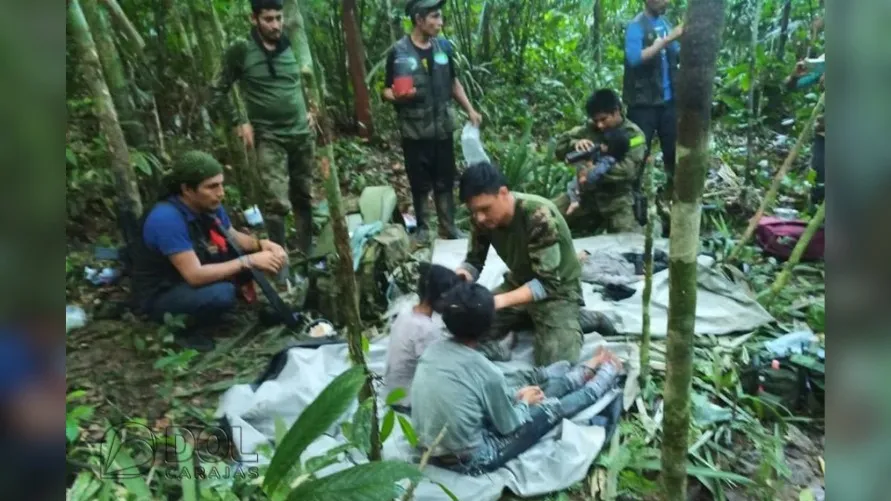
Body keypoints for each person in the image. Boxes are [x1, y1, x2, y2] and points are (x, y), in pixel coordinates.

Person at [411, 282, 623, 475]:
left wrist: (519, 399)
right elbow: (508, 426)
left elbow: (470, 398)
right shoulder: (486, 372)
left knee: (530, 392)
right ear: (487, 325)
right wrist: (522, 403)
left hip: (432, 449)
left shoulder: (431, 352)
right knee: (549, 409)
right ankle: (605, 374)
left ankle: (585, 370)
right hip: (471, 458)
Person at [455, 162, 615, 366]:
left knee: (556, 364)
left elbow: (546, 284)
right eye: (474, 211)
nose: (480, 217)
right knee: (465, 325)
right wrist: (461, 276)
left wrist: (497, 302)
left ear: (503, 193)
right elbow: (474, 260)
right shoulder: (481, 218)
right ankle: (529, 318)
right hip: (519, 282)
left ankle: (580, 319)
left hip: (557, 289)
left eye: (485, 209)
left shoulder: (537, 215)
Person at [130, 151, 288, 351]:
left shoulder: (208, 205)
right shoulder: (166, 219)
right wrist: (250, 261)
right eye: (212, 187)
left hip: (192, 271)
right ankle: (184, 329)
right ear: (187, 189)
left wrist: (262, 245)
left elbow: (232, 236)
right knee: (222, 294)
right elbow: (194, 275)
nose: (221, 192)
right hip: (163, 291)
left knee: (241, 259)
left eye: (221, 184)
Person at [210, 0, 315, 279]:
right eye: (268, 19)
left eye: (279, 18)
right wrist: (238, 122)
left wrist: (313, 107)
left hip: (302, 135)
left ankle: (308, 254)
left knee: (304, 196)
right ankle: (280, 264)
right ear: (254, 19)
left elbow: (312, 78)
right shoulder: (241, 50)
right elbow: (216, 90)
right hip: (269, 136)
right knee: (276, 203)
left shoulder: (294, 43)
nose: (275, 25)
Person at [383, 0, 483, 241]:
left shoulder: (444, 48)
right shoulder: (398, 51)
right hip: (415, 130)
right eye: (435, 17)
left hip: (443, 128)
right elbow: (385, 90)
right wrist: (396, 96)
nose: (440, 23)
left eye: (440, 17)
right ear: (419, 20)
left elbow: (452, 82)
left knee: (445, 180)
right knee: (419, 183)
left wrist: (470, 109)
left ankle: (448, 227)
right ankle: (424, 229)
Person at [554, 89, 647, 235]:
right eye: (596, 120)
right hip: (585, 196)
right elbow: (559, 148)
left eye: (603, 119)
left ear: (616, 111)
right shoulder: (590, 128)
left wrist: (591, 170)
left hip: (617, 200)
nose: (600, 125)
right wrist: (576, 144)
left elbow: (627, 171)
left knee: (630, 244)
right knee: (545, 217)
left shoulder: (633, 135)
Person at [623, 0, 682, 198]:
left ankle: (672, 194)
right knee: (639, 151)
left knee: (672, 150)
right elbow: (634, 58)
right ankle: (634, 196)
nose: (667, 1)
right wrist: (664, 42)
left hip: (668, 102)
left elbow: (676, 53)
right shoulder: (636, 26)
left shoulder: (664, 23)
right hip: (643, 105)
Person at [383, 263, 459, 412]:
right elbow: (438, 370)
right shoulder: (427, 329)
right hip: (405, 401)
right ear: (441, 297)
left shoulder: (406, 312)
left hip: (391, 391)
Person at [785, 57, 825, 206]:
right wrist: (795, 75)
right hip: (825, 132)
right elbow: (791, 86)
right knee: (820, 180)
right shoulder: (824, 67)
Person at [566, 128, 632, 216]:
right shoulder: (604, 154)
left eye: (605, 144)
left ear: (612, 148)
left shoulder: (608, 160)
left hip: (591, 184)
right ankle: (576, 197)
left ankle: (574, 202)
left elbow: (597, 172)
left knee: (571, 186)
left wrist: (587, 175)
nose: (601, 145)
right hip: (588, 182)